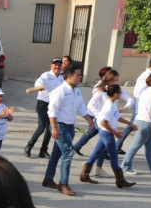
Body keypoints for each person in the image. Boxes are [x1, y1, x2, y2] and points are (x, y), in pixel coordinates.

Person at [42, 64, 95, 196]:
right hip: (59, 126)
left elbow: (81, 108)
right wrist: (54, 128)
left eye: (81, 75)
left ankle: (48, 179)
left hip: (70, 127)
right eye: (78, 75)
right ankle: (63, 184)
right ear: (69, 76)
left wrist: (89, 119)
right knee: (68, 153)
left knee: (56, 153)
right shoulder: (59, 91)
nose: (80, 77)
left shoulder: (76, 90)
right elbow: (52, 111)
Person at [80, 84, 137, 188]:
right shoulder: (109, 106)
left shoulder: (112, 103)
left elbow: (117, 117)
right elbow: (103, 122)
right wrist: (115, 133)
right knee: (114, 155)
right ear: (115, 94)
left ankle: (84, 174)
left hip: (107, 132)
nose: (121, 94)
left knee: (96, 152)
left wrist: (130, 124)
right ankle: (120, 180)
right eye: (120, 92)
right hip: (107, 133)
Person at [122, 72, 151, 175]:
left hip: (143, 121)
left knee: (150, 146)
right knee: (135, 146)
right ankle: (125, 167)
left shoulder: (146, 91)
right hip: (146, 122)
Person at [24, 58, 63, 158]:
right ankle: (29, 146)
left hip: (54, 107)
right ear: (51, 66)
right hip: (42, 105)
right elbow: (38, 82)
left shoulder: (61, 78)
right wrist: (39, 86)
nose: (57, 67)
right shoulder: (46, 75)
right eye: (55, 65)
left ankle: (43, 151)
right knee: (41, 127)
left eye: (59, 65)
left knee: (50, 129)